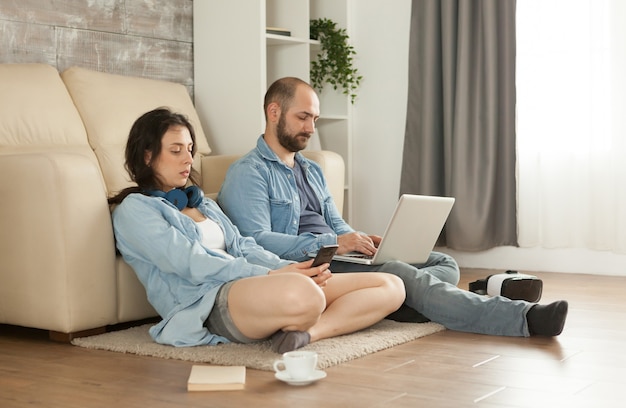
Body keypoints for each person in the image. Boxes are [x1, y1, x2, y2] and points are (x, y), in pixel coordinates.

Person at [217, 77, 569, 337]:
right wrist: (332, 245)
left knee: (442, 262)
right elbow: (256, 240)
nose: (311, 128)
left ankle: (410, 303)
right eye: (303, 117)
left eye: (315, 119)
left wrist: (355, 239)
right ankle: (522, 318)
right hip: (312, 265)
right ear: (273, 111)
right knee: (402, 272)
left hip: (341, 255)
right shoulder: (249, 173)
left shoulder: (311, 169)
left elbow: (335, 221)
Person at [107, 107, 406, 353]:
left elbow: (244, 246)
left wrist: (291, 268)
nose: (188, 159)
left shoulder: (203, 203)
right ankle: (299, 310)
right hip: (206, 303)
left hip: (257, 287)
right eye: (176, 151)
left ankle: (308, 334)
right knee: (308, 296)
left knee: (391, 286)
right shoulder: (135, 210)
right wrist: (271, 277)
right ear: (147, 156)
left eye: (190, 149)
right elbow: (190, 262)